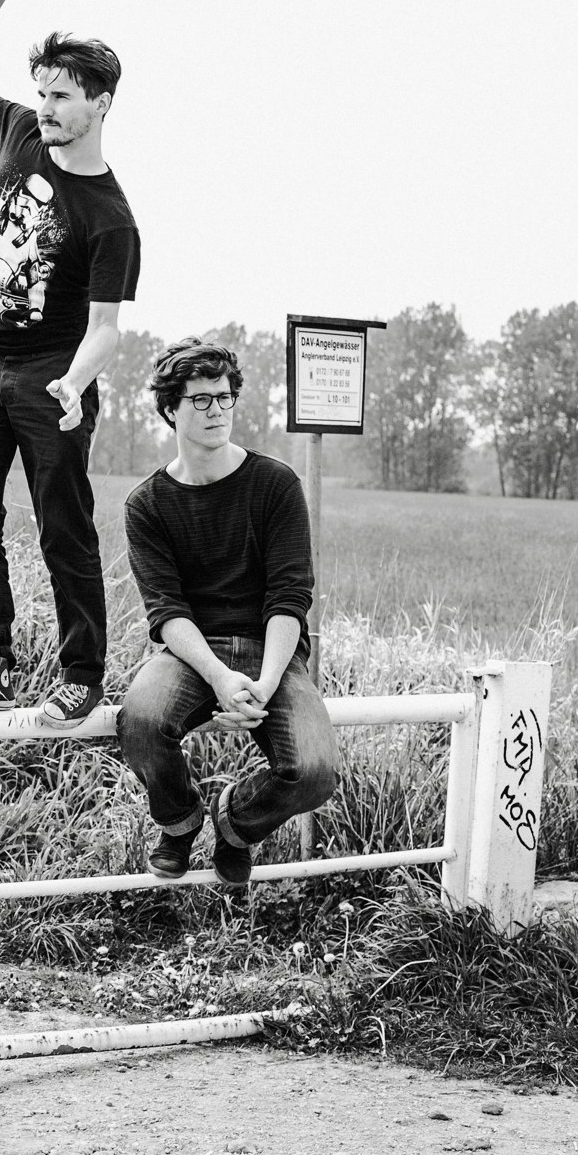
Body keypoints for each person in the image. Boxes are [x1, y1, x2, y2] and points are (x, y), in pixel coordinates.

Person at [0, 0, 142, 729]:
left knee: (63, 524)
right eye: (43, 93)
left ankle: (82, 675)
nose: (45, 108)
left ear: (100, 103)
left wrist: (74, 382)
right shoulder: (18, 133)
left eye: (61, 97)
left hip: (52, 375)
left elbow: (105, 327)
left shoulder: (110, 218)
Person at [117, 339, 341, 884]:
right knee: (140, 721)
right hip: (193, 653)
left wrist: (265, 685)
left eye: (224, 397)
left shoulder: (275, 484)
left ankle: (235, 822)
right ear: (171, 409)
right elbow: (167, 611)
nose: (216, 410)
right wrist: (219, 677)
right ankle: (179, 822)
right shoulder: (146, 504)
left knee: (315, 771)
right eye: (200, 399)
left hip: (273, 651)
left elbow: (290, 596)